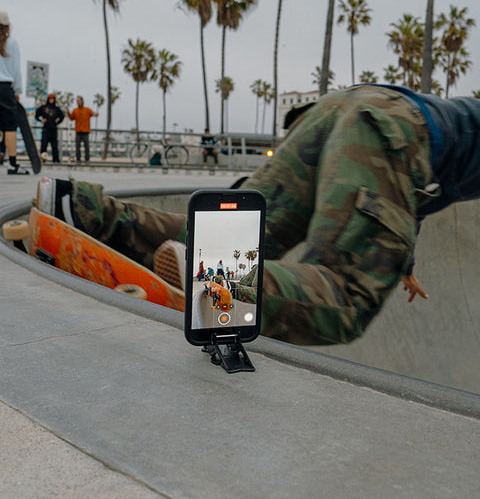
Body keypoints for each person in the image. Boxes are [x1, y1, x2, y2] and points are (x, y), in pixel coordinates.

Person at [34, 84, 480, 345]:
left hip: (346, 108)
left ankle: (83, 209)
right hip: (395, 129)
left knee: (235, 231)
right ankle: (219, 283)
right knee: (347, 296)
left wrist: (406, 261)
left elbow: (409, 195)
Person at [0, 10, 29, 174]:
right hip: (5, 88)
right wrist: (17, 90)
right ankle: (12, 164)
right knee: (9, 127)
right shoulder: (11, 43)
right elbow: (16, 71)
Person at [35, 94, 64, 163]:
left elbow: (62, 116)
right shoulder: (43, 107)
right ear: (48, 99)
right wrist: (40, 120)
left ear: (54, 100)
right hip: (46, 129)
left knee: (54, 146)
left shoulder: (56, 109)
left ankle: (55, 160)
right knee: (44, 145)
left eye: (52, 99)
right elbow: (36, 115)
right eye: (50, 99)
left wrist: (58, 121)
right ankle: (42, 159)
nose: (51, 100)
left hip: (53, 129)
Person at [68, 96, 98, 162]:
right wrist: (68, 113)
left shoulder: (87, 110)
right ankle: (78, 159)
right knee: (77, 147)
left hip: (85, 131)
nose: (78, 102)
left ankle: (87, 159)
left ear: (82, 101)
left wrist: (96, 114)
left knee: (86, 146)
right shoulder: (75, 110)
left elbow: (94, 114)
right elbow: (71, 118)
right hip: (78, 131)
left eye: (79, 100)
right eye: (77, 101)